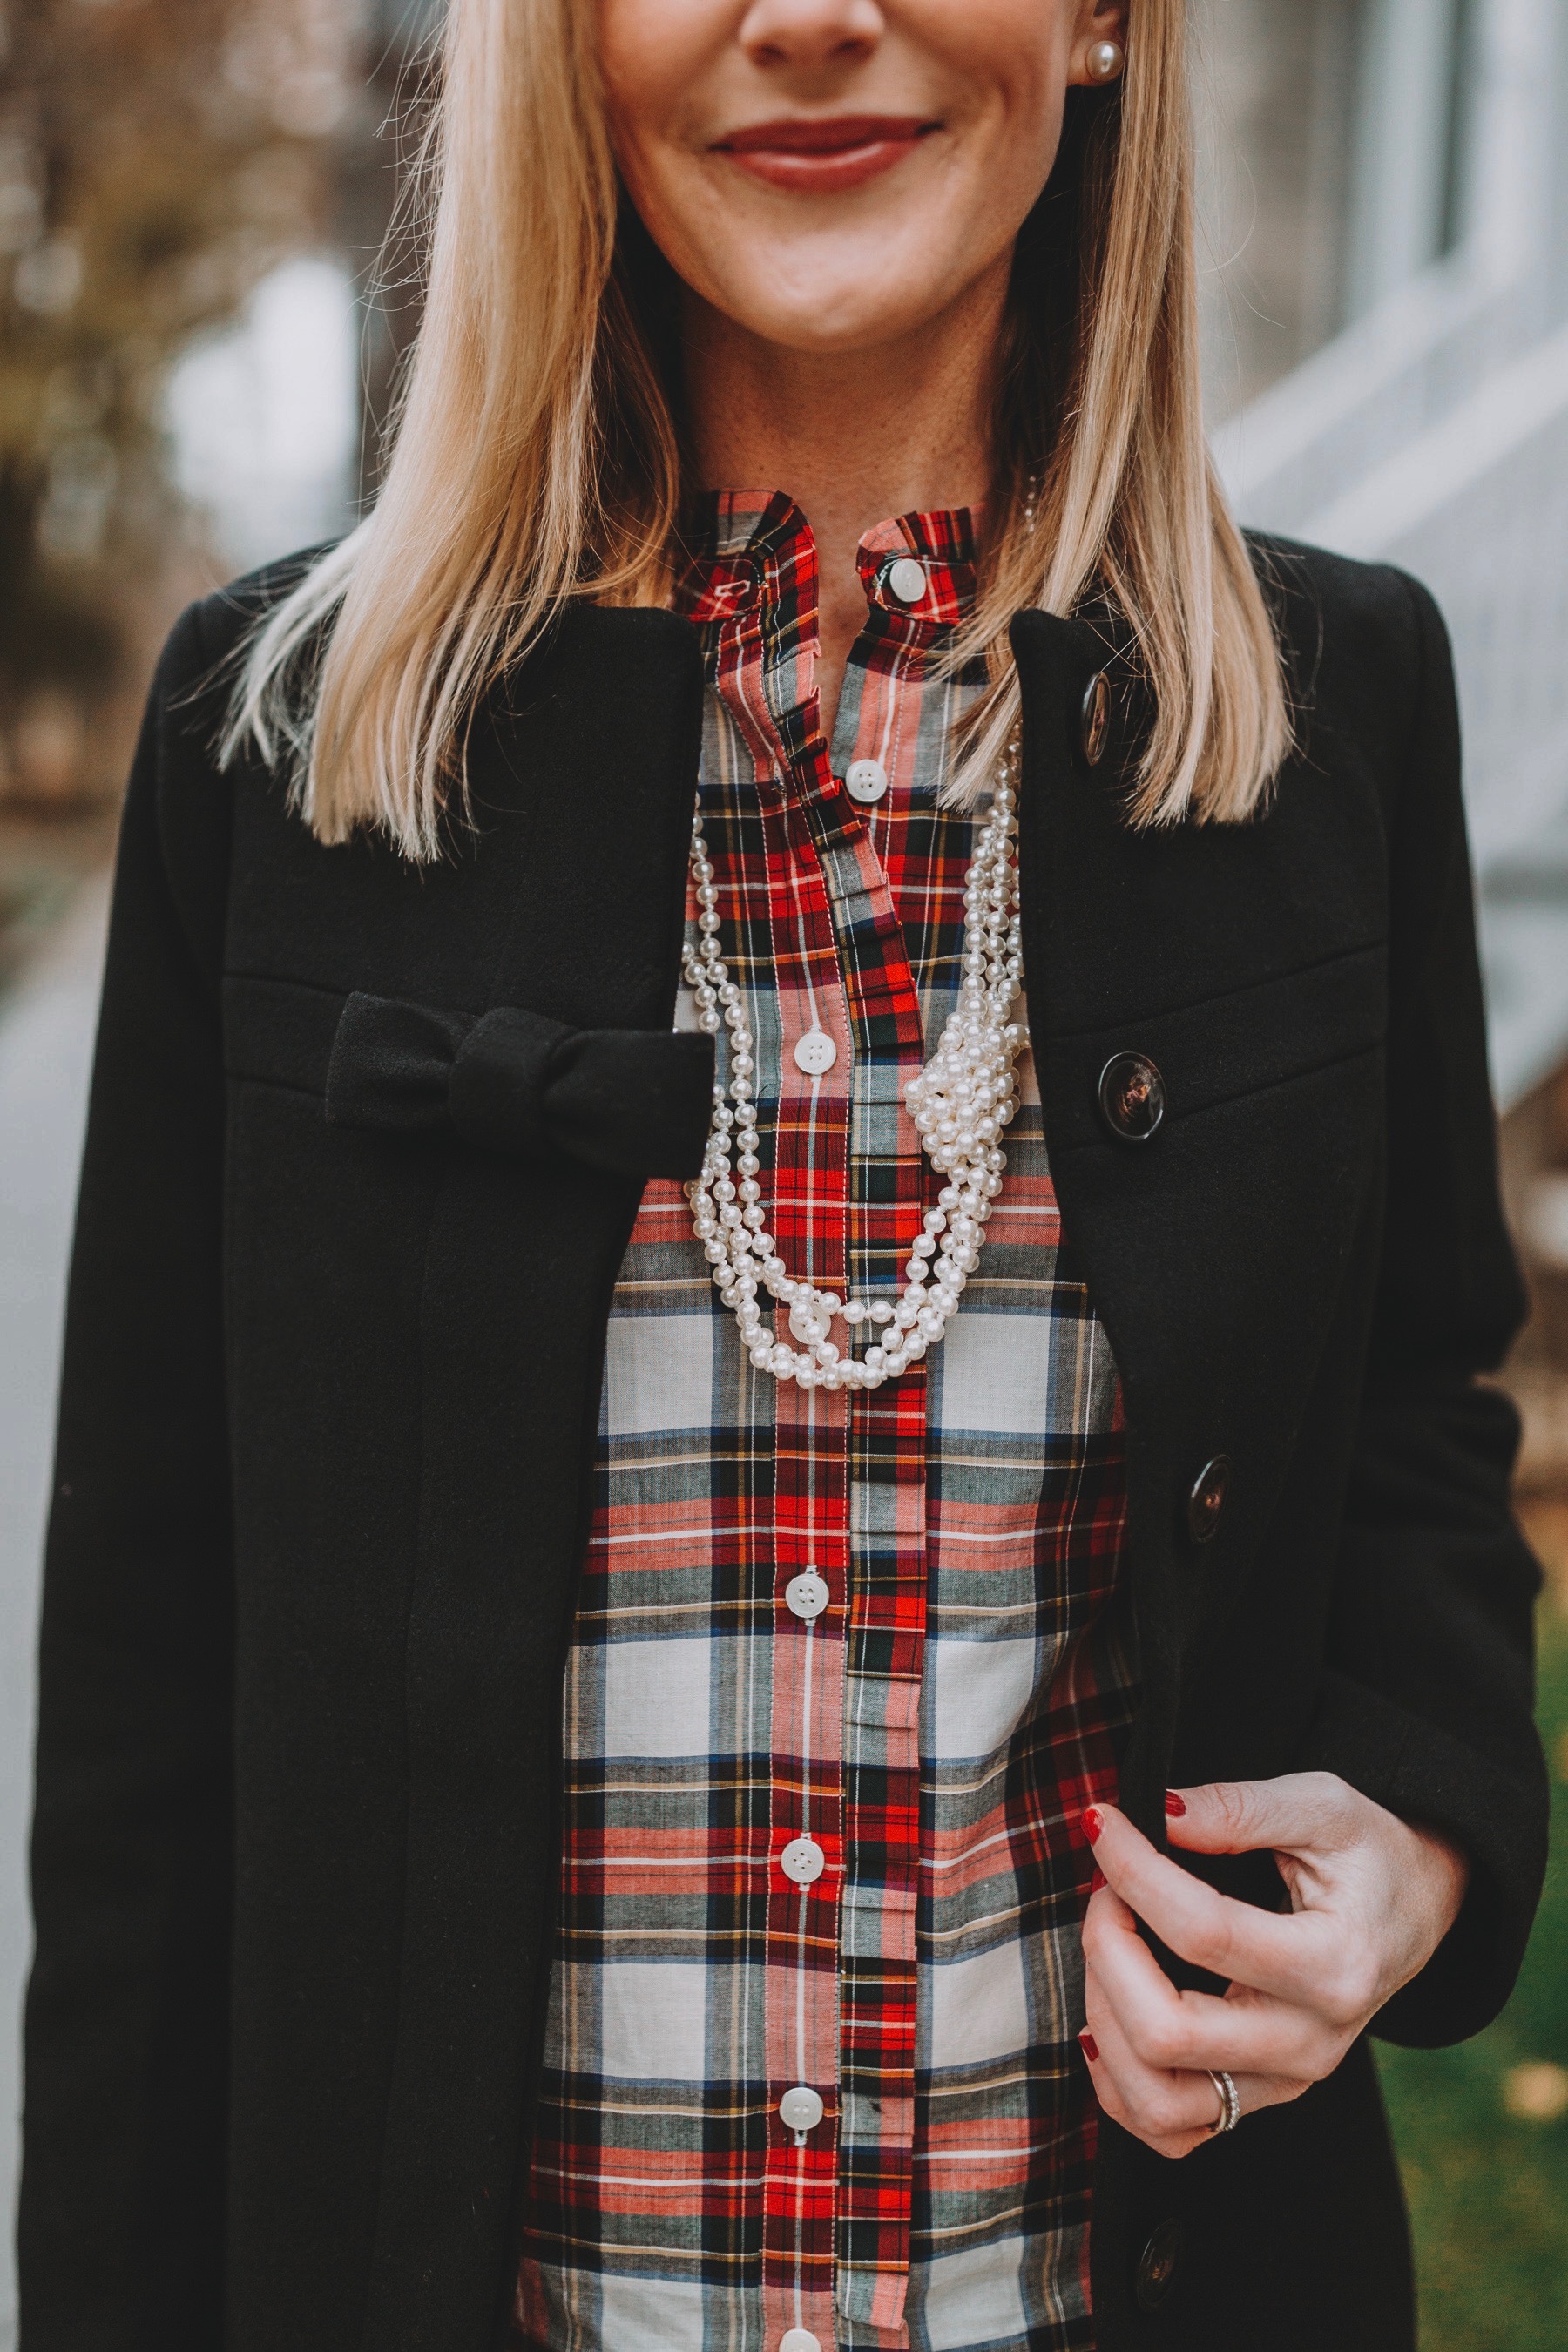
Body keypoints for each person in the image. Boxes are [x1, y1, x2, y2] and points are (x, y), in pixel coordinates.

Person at [20, 2, 1549, 2349]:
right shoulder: (289, 750)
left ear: (1107, 25)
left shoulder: (1332, 706)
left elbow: (1423, 1423)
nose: (815, 14)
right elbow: (146, 1755)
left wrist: (1422, 1838)